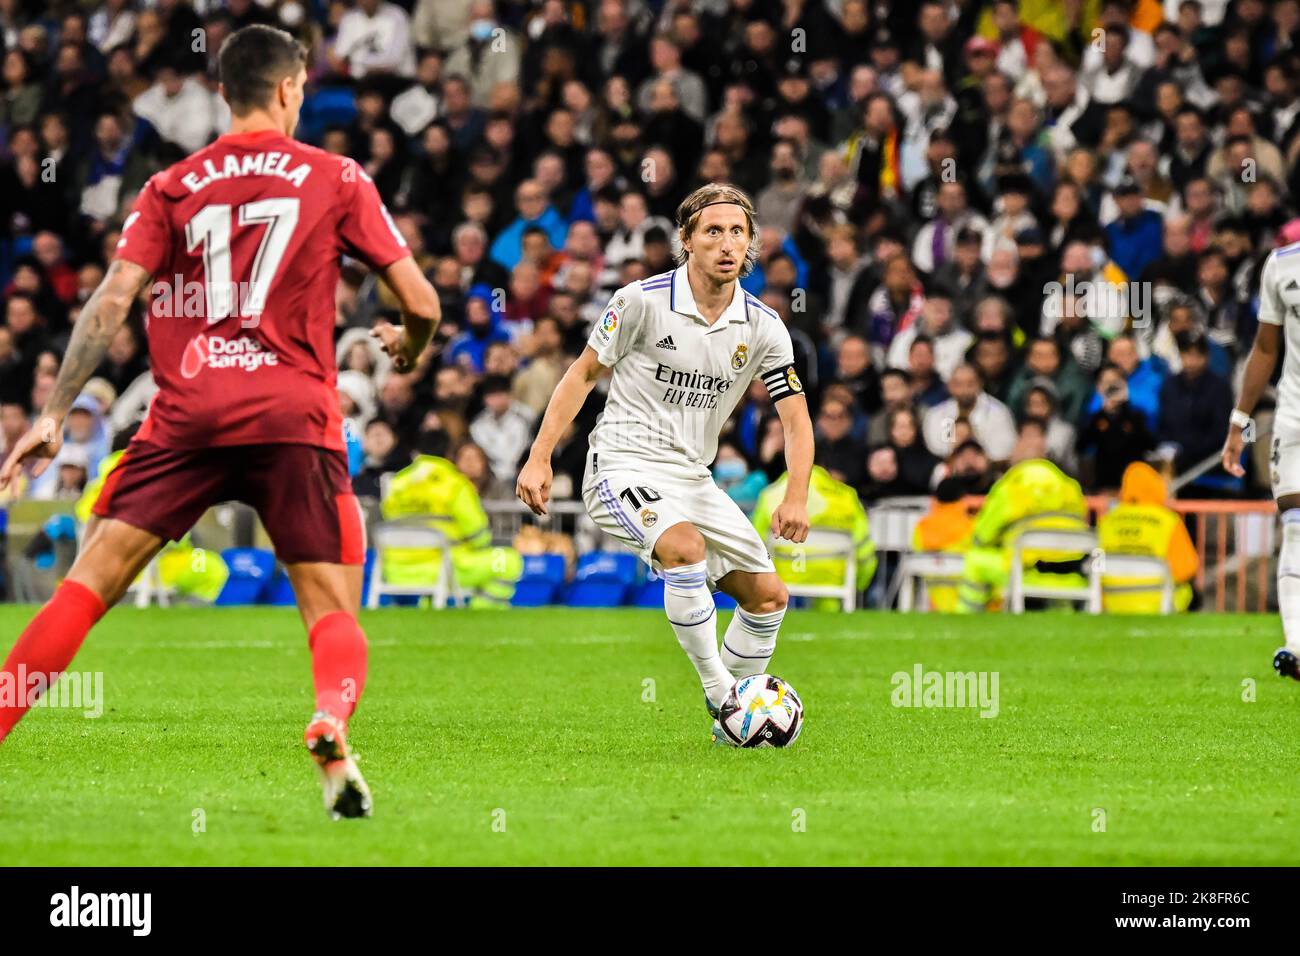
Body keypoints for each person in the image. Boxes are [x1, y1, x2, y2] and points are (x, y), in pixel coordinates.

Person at [0, 26, 442, 820]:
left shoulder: (171, 184)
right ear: (286, 90)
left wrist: (54, 413)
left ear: (221, 93)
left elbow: (110, 304)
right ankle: (329, 719)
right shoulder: (335, 175)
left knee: (86, 587)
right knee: (333, 607)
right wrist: (407, 350)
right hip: (294, 415)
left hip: (187, 415)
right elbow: (422, 303)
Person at [516, 183, 815, 744]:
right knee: (684, 549)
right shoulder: (640, 301)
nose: (726, 244)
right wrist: (539, 456)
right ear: (687, 241)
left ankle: (733, 726)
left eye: (738, 233)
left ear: (750, 244)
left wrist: (796, 493)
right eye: (712, 232)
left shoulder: (764, 327)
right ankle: (721, 693)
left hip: (692, 475)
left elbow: (796, 420)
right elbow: (581, 374)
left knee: (769, 596)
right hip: (622, 463)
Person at [1222, 235, 1300, 681]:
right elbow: (1266, 348)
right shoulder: (1281, 265)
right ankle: (1296, 646)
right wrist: (1239, 422)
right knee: (1294, 519)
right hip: (1293, 414)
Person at [956, 457, 1089, 613]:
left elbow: (981, 538)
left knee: (974, 560)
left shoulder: (1010, 489)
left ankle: (967, 618)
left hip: (1026, 575)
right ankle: (1062, 611)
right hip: (1074, 579)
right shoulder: (1071, 488)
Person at [752, 465, 876, 612]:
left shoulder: (769, 496)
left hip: (784, 575)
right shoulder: (846, 497)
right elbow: (864, 550)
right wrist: (859, 583)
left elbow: (755, 544)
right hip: (831, 578)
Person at [1097, 462, 1198, 613]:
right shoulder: (1168, 520)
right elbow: (1187, 569)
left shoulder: (1107, 520)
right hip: (1158, 601)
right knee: (1189, 591)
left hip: (1113, 600)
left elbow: (1096, 564)